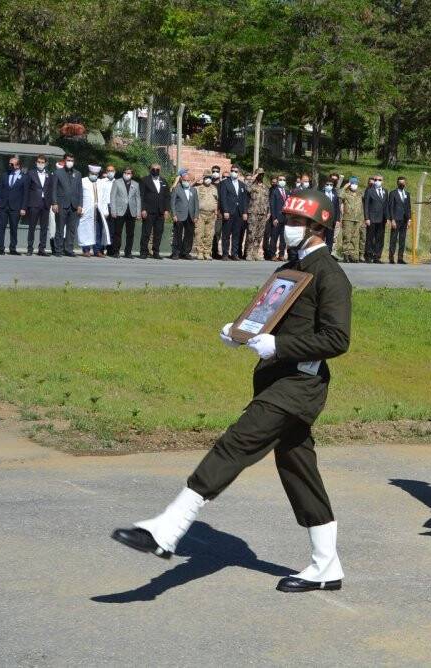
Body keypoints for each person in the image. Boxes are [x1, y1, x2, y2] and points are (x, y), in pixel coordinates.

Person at [111, 188, 352, 593]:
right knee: (298, 470)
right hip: (277, 380)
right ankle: (326, 565)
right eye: (288, 220)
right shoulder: (290, 269)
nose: (288, 227)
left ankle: (168, 529)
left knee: (236, 444)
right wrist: (239, 331)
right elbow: (266, 314)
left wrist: (280, 346)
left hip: (299, 385)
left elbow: (337, 338)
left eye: (297, 222)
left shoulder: (330, 275)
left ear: (318, 227)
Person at [0, 156, 25, 255]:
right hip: (3, 206)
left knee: (14, 228)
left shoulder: (24, 177)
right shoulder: (4, 175)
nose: (9, 165)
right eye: (9, 163)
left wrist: (23, 208)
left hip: (15, 207)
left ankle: (13, 248)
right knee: (0, 228)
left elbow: (25, 193)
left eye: (12, 164)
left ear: (18, 165)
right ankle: (1, 248)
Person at [21, 154, 52, 256]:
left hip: (45, 204)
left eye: (42, 162)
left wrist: (52, 202)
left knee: (44, 228)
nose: (40, 164)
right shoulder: (30, 173)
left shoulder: (49, 174)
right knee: (32, 227)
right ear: (36, 163)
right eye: (39, 162)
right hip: (34, 203)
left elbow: (51, 189)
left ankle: (42, 249)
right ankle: (30, 248)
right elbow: (26, 190)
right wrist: (24, 206)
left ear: (46, 163)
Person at [51, 153, 81, 257]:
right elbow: (54, 189)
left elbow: (80, 191)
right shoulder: (57, 173)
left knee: (71, 229)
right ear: (64, 161)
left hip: (74, 205)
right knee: (60, 228)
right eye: (68, 160)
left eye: (72, 160)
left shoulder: (77, 174)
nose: (70, 162)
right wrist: (54, 203)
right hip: (61, 205)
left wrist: (80, 205)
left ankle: (69, 249)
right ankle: (58, 250)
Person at [77, 165, 110, 257]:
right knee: (86, 229)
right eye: (92, 173)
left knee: (98, 230)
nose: (94, 175)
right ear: (89, 173)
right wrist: (80, 207)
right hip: (86, 209)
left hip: (98, 210)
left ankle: (97, 250)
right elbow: (79, 195)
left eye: (96, 174)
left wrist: (105, 210)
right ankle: (86, 250)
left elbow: (104, 197)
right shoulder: (83, 181)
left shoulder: (101, 183)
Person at [139, 163, 169, 260]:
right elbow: (141, 195)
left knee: (158, 233)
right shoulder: (144, 180)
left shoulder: (163, 181)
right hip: (148, 211)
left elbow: (167, 196)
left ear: (160, 170)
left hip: (160, 211)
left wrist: (166, 210)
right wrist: (143, 209)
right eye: (153, 169)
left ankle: (156, 252)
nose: (155, 171)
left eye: (157, 169)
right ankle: (143, 252)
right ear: (150, 169)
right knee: (146, 233)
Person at [218, 165, 248, 261]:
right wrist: (225, 210)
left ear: (238, 173)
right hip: (229, 212)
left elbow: (244, 199)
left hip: (238, 213)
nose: (234, 172)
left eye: (236, 171)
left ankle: (234, 254)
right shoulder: (224, 183)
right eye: (232, 171)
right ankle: (225, 254)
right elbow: (223, 198)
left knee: (236, 234)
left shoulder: (242, 184)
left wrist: (244, 212)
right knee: (226, 234)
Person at [109, 166, 140, 258]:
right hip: (119, 211)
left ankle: (128, 252)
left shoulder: (136, 184)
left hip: (131, 211)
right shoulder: (117, 182)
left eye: (129, 173)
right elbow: (112, 197)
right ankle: (116, 251)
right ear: (123, 173)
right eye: (125, 173)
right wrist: (113, 210)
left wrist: (138, 212)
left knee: (130, 233)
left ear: (132, 174)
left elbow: (138, 199)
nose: (127, 174)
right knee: (117, 232)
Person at [170, 168, 199, 260]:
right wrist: (174, 215)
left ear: (190, 181)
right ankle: (176, 253)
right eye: (184, 180)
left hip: (190, 216)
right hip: (179, 215)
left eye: (188, 180)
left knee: (189, 235)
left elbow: (196, 204)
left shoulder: (193, 190)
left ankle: (185, 252)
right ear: (181, 180)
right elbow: (172, 203)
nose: (186, 182)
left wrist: (196, 216)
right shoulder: (176, 189)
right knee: (177, 235)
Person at [384, 176, 412, 264]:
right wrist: (392, 219)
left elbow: (408, 207)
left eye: (403, 182)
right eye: (400, 183)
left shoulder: (407, 194)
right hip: (396, 219)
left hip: (404, 219)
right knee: (393, 239)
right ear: (397, 183)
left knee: (402, 239)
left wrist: (409, 219)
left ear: (405, 183)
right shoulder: (393, 193)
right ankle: (391, 257)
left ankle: (400, 258)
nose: (402, 184)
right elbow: (391, 207)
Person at [339, 177, 365, 263]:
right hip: (347, 218)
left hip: (357, 219)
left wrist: (362, 219)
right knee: (347, 236)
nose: (355, 185)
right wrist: (344, 187)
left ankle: (353, 255)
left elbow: (361, 206)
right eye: (353, 183)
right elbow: (340, 196)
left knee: (355, 238)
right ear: (350, 184)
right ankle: (346, 254)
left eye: (356, 183)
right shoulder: (346, 193)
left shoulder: (359, 194)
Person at [245, 169, 269, 261]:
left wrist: (268, 212)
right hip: (253, 213)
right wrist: (253, 177)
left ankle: (255, 253)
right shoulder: (252, 186)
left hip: (263, 213)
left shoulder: (265, 187)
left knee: (259, 235)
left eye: (262, 174)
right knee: (251, 233)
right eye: (259, 174)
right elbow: (247, 188)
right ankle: (249, 253)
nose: (261, 176)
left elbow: (267, 201)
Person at [363, 174, 387, 264]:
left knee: (380, 238)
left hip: (382, 218)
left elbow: (386, 205)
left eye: (380, 180)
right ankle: (368, 255)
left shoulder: (385, 191)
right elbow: (366, 205)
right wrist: (367, 218)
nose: (377, 181)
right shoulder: (369, 191)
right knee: (370, 237)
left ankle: (377, 256)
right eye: (376, 180)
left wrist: (388, 218)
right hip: (372, 218)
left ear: (382, 181)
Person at [193, 173, 218, 260]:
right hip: (200, 214)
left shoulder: (214, 188)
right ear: (203, 178)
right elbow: (189, 190)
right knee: (199, 233)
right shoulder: (198, 188)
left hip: (211, 214)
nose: (208, 179)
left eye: (209, 177)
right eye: (206, 177)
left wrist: (215, 212)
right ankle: (200, 252)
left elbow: (216, 201)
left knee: (209, 234)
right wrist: (196, 181)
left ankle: (207, 252)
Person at [269, 174, 288, 261]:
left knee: (283, 238)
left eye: (284, 180)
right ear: (277, 181)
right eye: (280, 180)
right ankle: (272, 254)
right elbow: (272, 206)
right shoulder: (274, 191)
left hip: (285, 218)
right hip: (277, 218)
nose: (282, 181)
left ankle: (281, 254)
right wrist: (274, 218)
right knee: (274, 237)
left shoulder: (287, 192)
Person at [321, 176, 341, 253]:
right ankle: (320, 252)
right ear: (324, 185)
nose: (329, 186)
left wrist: (338, 219)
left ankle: (328, 252)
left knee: (330, 237)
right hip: (322, 219)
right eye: (327, 184)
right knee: (321, 236)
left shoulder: (335, 194)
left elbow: (337, 207)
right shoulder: (321, 193)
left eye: (331, 185)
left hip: (332, 220)